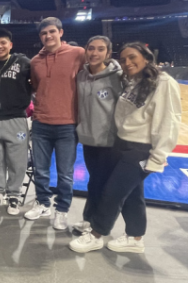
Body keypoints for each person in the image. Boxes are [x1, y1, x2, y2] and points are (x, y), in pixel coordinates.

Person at [69, 42, 181, 254]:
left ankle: (96, 235)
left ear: (146, 58)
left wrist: (157, 157)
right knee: (131, 195)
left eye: (132, 57)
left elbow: (169, 121)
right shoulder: (133, 82)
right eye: (123, 59)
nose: (127, 63)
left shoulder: (164, 82)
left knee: (112, 193)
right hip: (122, 144)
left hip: (141, 148)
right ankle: (135, 238)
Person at [24, 17, 85, 229]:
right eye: (43, 33)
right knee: (40, 170)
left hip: (68, 125)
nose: (47, 36)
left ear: (60, 32)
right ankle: (42, 203)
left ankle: (62, 209)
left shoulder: (78, 54)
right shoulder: (35, 61)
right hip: (41, 123)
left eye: (51, 32)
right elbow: (35, 88)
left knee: (65, 174)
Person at [71, 36, 123, 234]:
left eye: (100, 49)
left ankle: (99, 227)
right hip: (89, 140)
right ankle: (89, 220)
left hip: (111, 142)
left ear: (108, 54)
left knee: (105, 185)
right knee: (94, 181)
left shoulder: (117, 77)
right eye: (91, 48)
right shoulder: (81, 76)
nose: (94, 53)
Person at [0, 29, 32, 215]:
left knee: (17, 161)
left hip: (16, 119)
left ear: (10, 44)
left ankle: (14, 195)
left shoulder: (24, 63)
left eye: (2, 43)